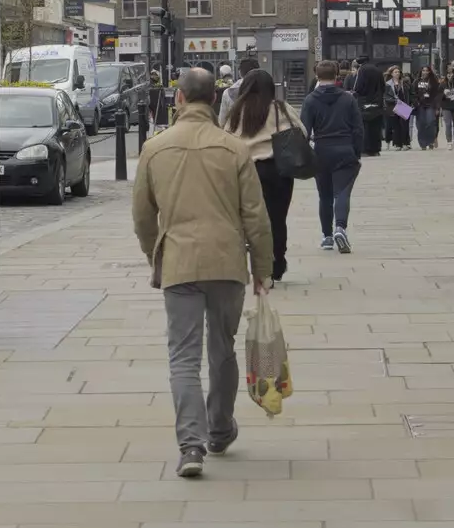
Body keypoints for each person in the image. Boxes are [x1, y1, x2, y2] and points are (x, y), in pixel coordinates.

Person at [133, 67, 271, 479]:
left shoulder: (154, 148)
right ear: (214, 100)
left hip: (179, 262)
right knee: (223, 349)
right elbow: (256, 217)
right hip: (227, 263)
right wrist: (261, 269)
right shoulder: (234, 149)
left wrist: (152, 252)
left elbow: (142, 216)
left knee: (183, 357)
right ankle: (220, 428)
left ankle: (190, 446)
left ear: (178, 99)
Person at [224, 68, 305, 283]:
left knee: (251, 219)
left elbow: (225, 139)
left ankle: (256, 264)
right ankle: (277, 263)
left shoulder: (237, 110)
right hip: (278, 170)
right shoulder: (280, 108)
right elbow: (302, 132)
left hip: (246, 170)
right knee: (278, 219)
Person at [301, 59, 364, 254]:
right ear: (337, 76)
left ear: (317, 76)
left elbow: (304, 130)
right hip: (344, 149)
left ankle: (327, 236)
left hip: (321, 151)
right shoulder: (348, 98)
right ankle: (340, 228)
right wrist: (356, 151)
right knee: (342, 192)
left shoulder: (310, 100)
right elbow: (358, 129)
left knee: (325, 195)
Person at [351, 55, 384, 157]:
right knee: (376, 126)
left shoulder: (362, 70)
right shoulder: (378, 70)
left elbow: (358, 87)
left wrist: (356, 92)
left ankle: (366, 149)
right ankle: (376, 149)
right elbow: (383, 86)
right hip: (377, 102)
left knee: (365, 126)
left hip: (364, 101)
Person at [216, 57, 259, 127]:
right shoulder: (266, 90)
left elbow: (222, 120)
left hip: (235, 133)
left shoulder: (228, 92)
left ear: (240, 72)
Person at [413, 66, 441, 150]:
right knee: (421, 124)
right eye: (423, 70)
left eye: (426, 71)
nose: (425, 72)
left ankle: (431, 141)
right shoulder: (416, 81)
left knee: (430, 122)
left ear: (429, 72)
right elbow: (413, 93)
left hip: (431, 105)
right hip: (420, 105)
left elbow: (437, 95)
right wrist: (416, 102)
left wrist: (437, 107)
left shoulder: (433, 82)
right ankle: (422, 143)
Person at [384, 67, 412, 150]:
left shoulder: (404, 83)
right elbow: (386, 96)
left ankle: (405, 143)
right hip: (393, 105)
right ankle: (397, 144)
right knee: (396, 125)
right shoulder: (388, 84)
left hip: (403, 105)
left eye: (398, 72)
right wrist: (393, 101)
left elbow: (409, 93)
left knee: (404, 125)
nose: (397, 73)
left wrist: (410, 103)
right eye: (395, 72)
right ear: (391, 74)